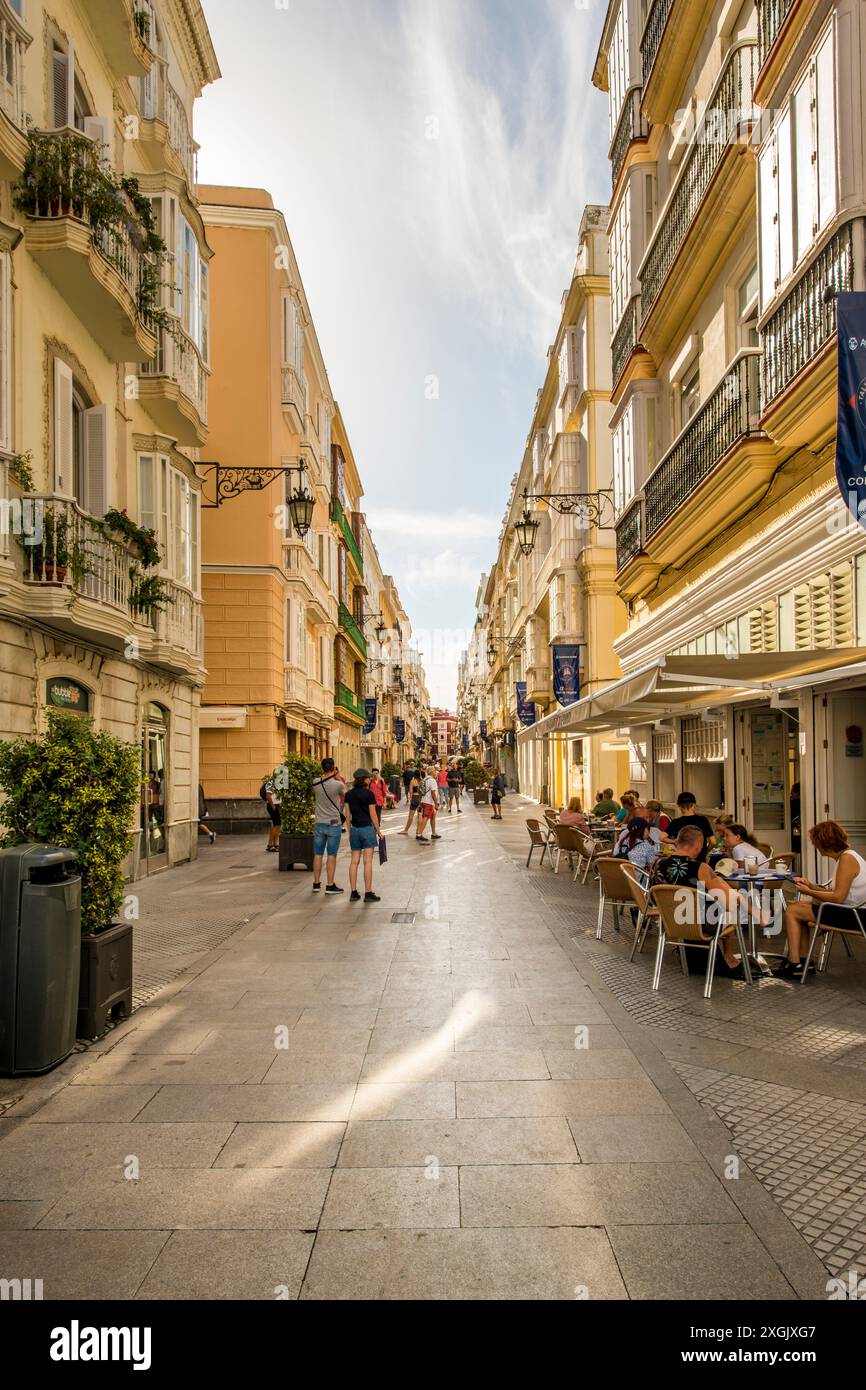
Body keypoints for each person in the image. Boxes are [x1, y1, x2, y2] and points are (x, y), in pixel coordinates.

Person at [651, 826, 749, 975]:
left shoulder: (657, 863)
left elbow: (652, 896)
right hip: (700, 924)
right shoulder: (701, 868)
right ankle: (729, 958)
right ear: (698, 844)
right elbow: (728, 902)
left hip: (670, 921)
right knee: (732, 911)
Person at [775, 820, 866, 977]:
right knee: (798, 909)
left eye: (815, 843)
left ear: (824, 843)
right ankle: (802, 962)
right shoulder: (846, 857)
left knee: (793, 910)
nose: (815, 847)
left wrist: (809, 892)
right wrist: (810, 885)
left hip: (856, 915)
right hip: (851, 910)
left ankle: (794, 962)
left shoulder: (847, 860)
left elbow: (837, 897)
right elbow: (836, 893)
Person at [344, 768, 383, 903]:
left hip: (355, 829)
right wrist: (378, 831)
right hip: (367, 829)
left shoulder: (348, 794)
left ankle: (353, 892)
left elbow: (347, 815)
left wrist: (350, 831)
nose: (370, 779)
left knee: (354, 861)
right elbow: (373, 814)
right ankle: (368, 893)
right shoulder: (369, 794)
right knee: (367, 862)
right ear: (365, 779)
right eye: (368, 778)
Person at [311, 757, 347, 893]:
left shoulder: (315, 782)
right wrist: (337, 777)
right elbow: (346, 794)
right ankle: (330, 885)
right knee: (331, 855)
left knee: (318, 854)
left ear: (322, 768)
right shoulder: (338, 785)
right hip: (333, 824)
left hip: (319, 823)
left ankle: (316, 884)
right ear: (333, 768)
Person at [662, 792, 714, 861]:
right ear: (694, 805)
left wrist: (674, 842)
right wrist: (705, 851)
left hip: (682, 861)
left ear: (679, 807)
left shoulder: (676, 822)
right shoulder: (703, 820)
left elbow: (662, 837)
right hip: (699, 861)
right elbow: (713, 841)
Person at [417, 764, 441, 842]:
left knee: (433, 817)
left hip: (424, 801)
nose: (436, 772)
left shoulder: (425, 779)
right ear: (431, 772)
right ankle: (419, 834)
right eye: (434, 771)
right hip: (429, 802)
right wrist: (436, 803)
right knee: (426, 817)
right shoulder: (432, 780)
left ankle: (433, 833)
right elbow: (433, 793)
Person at [261, 774, 281, 852]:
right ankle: (270, 845)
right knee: (276, 824)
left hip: (277, 805)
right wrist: (273, 807)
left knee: (278, 824)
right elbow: (268, 796)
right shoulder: (271, 782)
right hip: (272, 805)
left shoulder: (278, 782)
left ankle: (275, 844)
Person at [399, 768, 422, 835]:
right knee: (420, 815)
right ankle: (418, 831)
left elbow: (411, 791)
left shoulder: (412, 781)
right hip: (420, 799)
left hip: (414, 799)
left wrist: (410, 799)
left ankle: (406, 830)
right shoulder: (422, 781)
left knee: (411, 816)